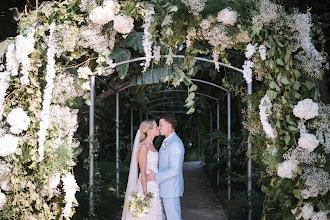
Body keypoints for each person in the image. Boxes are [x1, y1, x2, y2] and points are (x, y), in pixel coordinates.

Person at [121, 120, 165, 220]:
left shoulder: (152, 146)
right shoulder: (143, 147)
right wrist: (145, 193)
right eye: (156, 126)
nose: (158, 128)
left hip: (154, 185)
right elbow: (143, 171)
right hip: (147, 186)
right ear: (149, 131)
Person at [147, 114, 185, 220]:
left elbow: (174, 170)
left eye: (161, 125)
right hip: (166, 188)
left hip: (171, 189)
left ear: (169, 127)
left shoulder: (175, 144)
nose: (159, 128)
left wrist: (156, 177)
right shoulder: (168, 141)